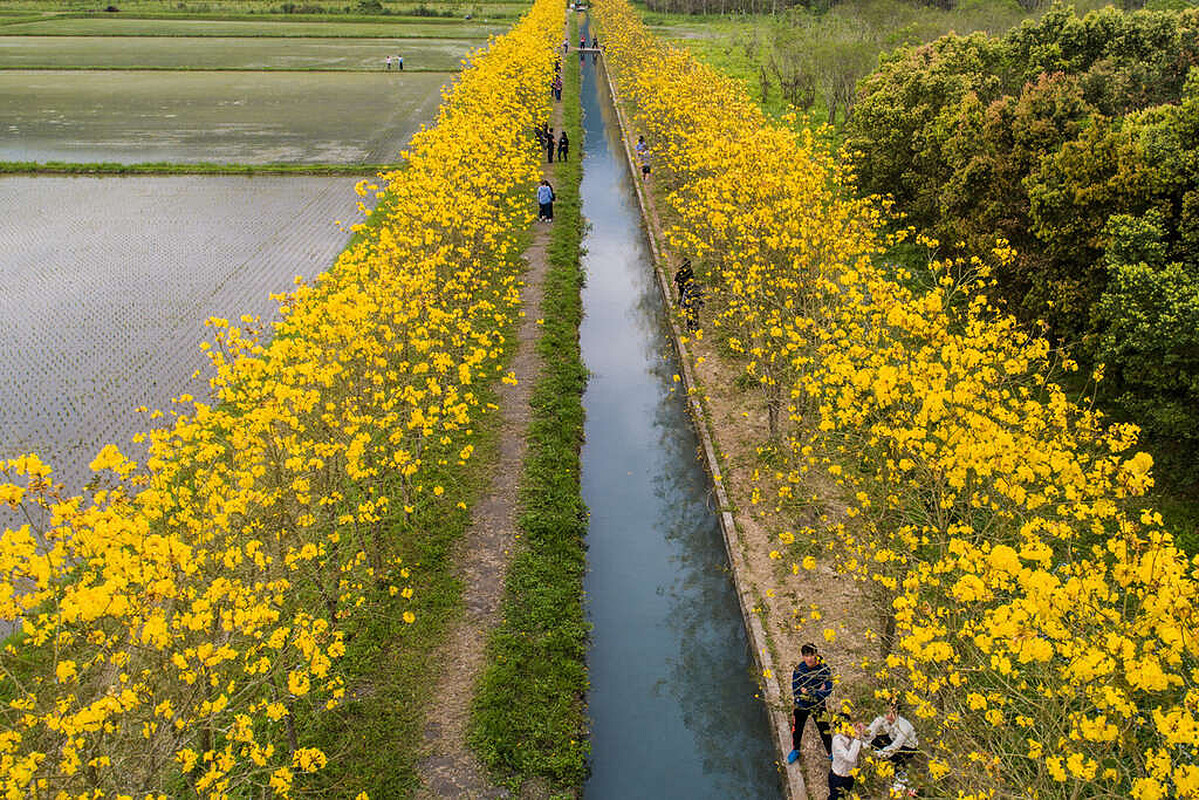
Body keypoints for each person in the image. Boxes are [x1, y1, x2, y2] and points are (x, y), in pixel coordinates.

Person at [787, 643, 833, 764]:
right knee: (797, 729)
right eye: (806, 655)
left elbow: (828, 689)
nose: (809, 658)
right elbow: (796, 690)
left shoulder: (824, 669)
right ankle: (796, 749)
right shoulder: (799, 670)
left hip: (818, 705)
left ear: (816, 654)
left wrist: (812, 693)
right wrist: (817, 690)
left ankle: (830, 752)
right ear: (803, 657)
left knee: (824, 729)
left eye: (811, 655)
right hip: (802, 705)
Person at [829, 714, 866, 800]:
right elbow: (850, 758)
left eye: (850, 725)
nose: (850, 728)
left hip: (849, 776)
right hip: (838, 779)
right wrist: (857, 739)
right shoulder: (837, 741)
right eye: (847, 726)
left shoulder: (852, 735)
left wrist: (863, 731)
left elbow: (866, 744)